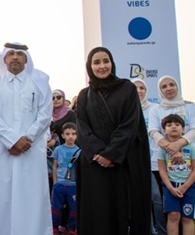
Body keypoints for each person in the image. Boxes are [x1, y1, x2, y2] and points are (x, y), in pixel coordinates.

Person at [74, 46, 151, 235]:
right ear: (89, 66)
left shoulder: (127, 88)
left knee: (123, 213)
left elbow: (129, 125)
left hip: (123, 163)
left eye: (105, 61)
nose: (102, 66)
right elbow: (82, 129)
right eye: (96, 62)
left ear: (112, 63)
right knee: (97, 214)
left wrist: (110, 154)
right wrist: (99, 154)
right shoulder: (84, 95)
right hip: (94, 164)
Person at [0, 42, 52, 235]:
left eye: (19, 54)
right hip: (3, 150)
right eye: (11, 54)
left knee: (31, 197)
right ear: (4, 59)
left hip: (31, 150)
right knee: (0, 197)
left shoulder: (40, 83)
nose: (15, 57)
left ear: (26, 59)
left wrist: (27, 139)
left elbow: (45, 115)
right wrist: (12, 140)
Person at [131, 78, 166, 235]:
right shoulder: (128, 108)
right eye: (135, 88)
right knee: (144, 199)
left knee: (157, 199)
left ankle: (162, 230)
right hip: (135, 160)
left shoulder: (155, 108)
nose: (139, 91)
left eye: (142, 88)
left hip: (156, 159)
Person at [156, 114, 195, 235]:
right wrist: (170, 188)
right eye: (169, 125)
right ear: (164, 130)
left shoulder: (192, 147)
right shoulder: (162, 149)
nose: (173, 127)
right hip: (170, 187)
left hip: (188, 187)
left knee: (187, 217)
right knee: (173, 215)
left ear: (183, 129)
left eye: (177, 124)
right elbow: (162, 169)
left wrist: (185, 186)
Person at [50, 122, 80, 235]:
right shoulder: (58, 149)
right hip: (60, 184)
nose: (70, 136)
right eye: (67, 134)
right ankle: (55, 227)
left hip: (73, 185)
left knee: (74, 209)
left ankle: (72, 228)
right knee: (56, 207)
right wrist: (55, 182)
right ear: (63, 135)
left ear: (77, 135)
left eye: (73, 134)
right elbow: (54, 166)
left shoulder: (79, 151)